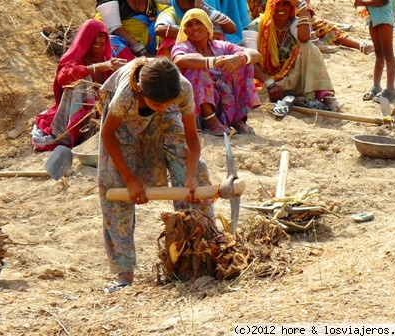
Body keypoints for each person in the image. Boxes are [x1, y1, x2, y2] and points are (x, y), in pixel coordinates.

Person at [98, 57, 215, 291]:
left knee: (196, 170)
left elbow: (191, 137)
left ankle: (204, 252)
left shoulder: (181, 90)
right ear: (142, 91)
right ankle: (124, 273)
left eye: (166, 104)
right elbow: (107, 135)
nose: (161, 109)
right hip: (122, 124)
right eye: (156, 105)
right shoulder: (126, 95)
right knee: (114, 182)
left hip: (163, 109)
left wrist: (190, 177)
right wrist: (130, 179)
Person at [31, 19, 127, 151]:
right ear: (84, 39)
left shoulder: (108, 61)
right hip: (77, 117)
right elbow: (63, 78)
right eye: (92, 36)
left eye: (101, 36)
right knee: (79, 83)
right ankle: (73, 134)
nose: (97, 41)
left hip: (99, 117)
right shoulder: (75, 59)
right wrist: (95, 68)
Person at [171, 8, 261, 136]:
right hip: (196, 106)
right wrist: (214, 61)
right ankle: (210, 120)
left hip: (222, 98)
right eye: (190, 25)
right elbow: (179, 59)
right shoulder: (183, 46)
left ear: (208, 26)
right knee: (197, 68)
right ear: (185, 31)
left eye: (199, 23)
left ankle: (237, 119)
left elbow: (255, 54)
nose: (194, 28)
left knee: (244, 63)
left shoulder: (221, 46)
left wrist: (239, 58)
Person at [253, 0, 340, 112]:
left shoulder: (293, 23)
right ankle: (297, 98)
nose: (281, 8)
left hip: (289, 79)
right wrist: (269, 84)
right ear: (271, 6)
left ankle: (326, 96)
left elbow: (304, 38)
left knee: (308, 46)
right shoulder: (255, 26)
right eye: (277, 4)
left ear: (291, 9)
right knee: (258, 93)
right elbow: (251, 61)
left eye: (285, 4)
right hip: (266, 82)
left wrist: (302, 7)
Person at [155, 0, 236, 59]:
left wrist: (203, 10)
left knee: (218, 35)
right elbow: (159, 29)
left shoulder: (202, 10)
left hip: (209, 56)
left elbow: (232, 29)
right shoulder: (171, 13)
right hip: (183, 60)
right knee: (169, 38)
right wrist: (194, 35)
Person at [356, 0, 395, 105]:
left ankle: (391, 89)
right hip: (372, 17)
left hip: (384, 15)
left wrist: (362, 2)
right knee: (378, 53)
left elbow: (383, 1)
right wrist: (360, 7)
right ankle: (376, 86)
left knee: (388, 53)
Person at [95, 0, 171, 59]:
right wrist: (143, 53)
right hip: (123, 43)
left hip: (148, 41)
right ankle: (132, 68)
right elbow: (115, 28)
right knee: (111, 41)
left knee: (166, 27)